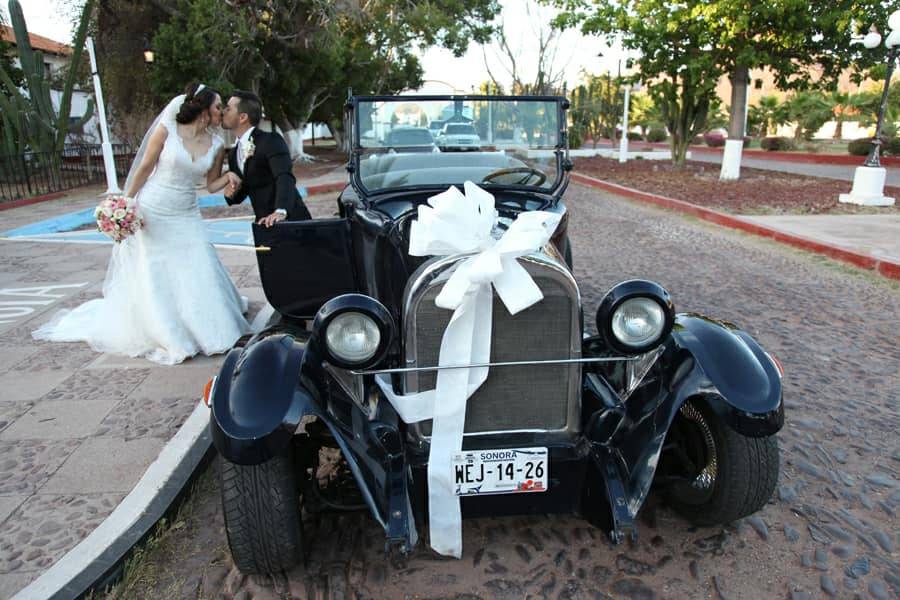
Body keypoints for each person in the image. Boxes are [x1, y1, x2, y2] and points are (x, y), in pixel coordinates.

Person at [33, 83, 251, 365]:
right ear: (203, 107)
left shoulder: (218, 144)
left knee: (199, 263)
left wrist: (230, 177)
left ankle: (212, 330)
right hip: (154, 209)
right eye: (218, 105)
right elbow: (146, 166)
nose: (222, 110)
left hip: (186, 213)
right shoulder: (168, 130)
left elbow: (210, 184)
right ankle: (172, 333)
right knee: (158, 270)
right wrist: (125, 202)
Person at [220, 90, 312, 225]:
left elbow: (284, 176)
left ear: (242, 117)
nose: (223, 112)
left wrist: (280, 211)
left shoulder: (271, 141)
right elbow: (245, 189)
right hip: (263, 224)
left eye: (228, 109)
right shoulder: (234, 153)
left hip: (291, 222)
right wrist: (230, 193)